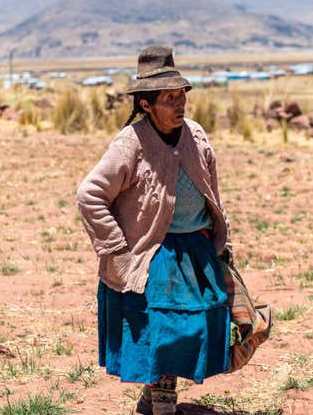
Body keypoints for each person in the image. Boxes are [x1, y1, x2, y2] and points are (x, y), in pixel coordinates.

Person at [77, 45, 232, 415]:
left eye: (181, 97)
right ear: (146, 104)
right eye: (169, 99)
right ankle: (162, 406)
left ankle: (152, 400)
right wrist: (116, 249)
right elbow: (90, 194)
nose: (179, 105)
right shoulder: (130, 143)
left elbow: (213, 190)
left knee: (189, 332)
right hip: (154, 256)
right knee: (167, 333)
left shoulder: (196, 135)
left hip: (196, 251)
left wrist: (222, 241)